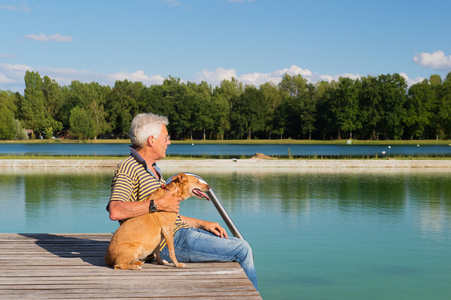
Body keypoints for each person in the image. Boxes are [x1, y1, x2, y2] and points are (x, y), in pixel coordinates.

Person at [107, 112, 258, 290]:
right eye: (166, 138)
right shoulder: (128, 168)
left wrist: (202, 224)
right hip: (164, 243)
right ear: (151, 140)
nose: (169, 142)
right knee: (242, 249)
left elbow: (166, 218)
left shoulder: (153, 170)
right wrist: (157, 204)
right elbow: (115, 210)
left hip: (177, 234)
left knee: (233, 242)